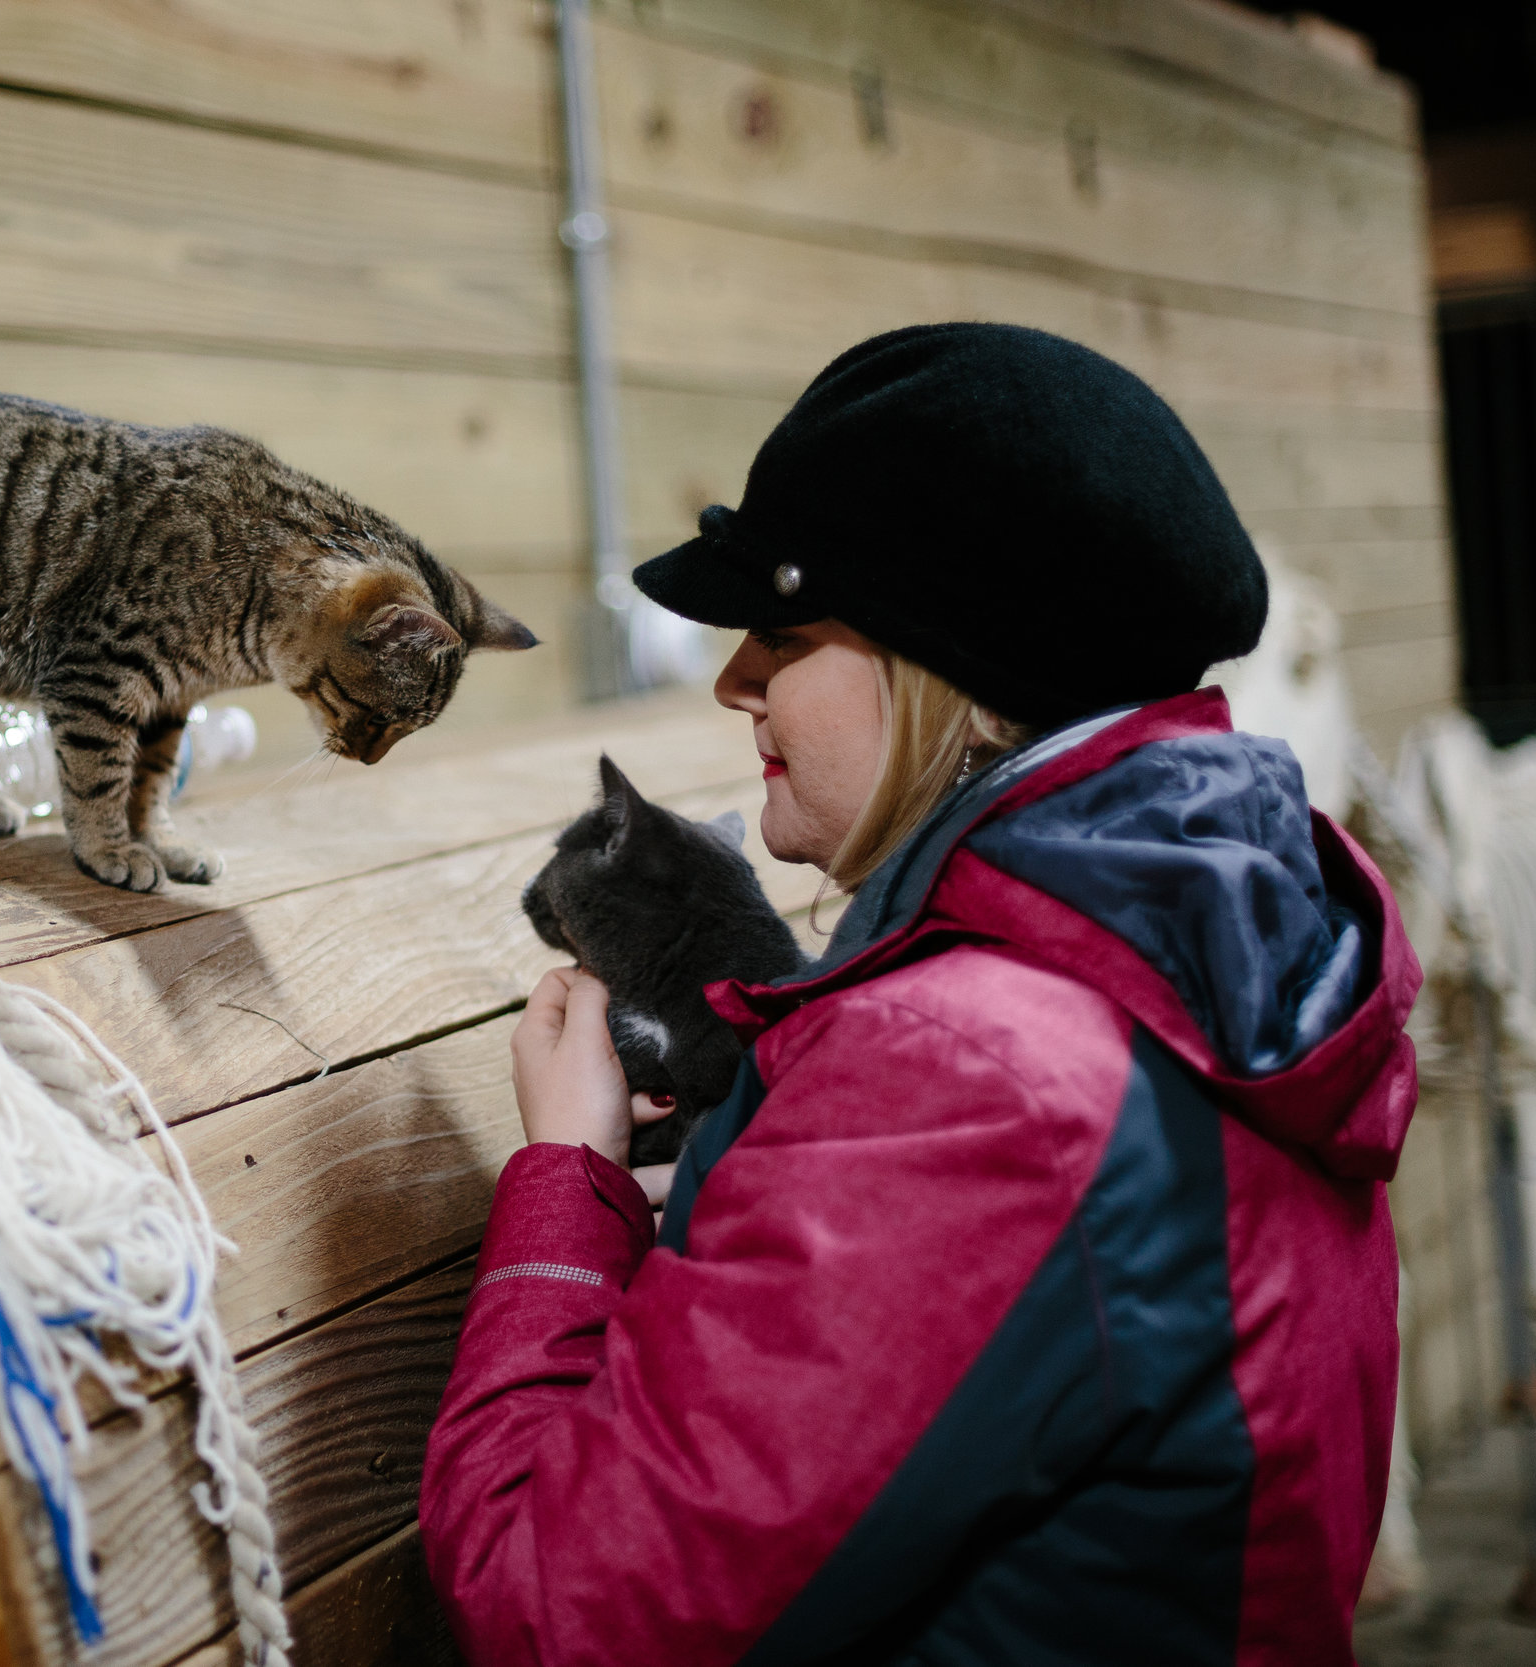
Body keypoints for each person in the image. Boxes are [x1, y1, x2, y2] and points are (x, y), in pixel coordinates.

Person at [419, 324, 1418, 1666]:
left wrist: (563, 1179)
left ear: (951, 670)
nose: (733, 681)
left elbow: (554, 1605)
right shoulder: (1208, 953)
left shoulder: (966, 1081)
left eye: (782, 629)